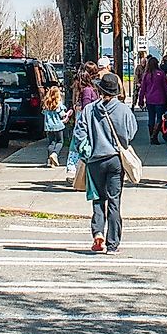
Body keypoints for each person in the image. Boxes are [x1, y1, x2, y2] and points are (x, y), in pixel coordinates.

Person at [71, 72, 137, 254]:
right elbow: (131, 134)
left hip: (95, 160)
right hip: (115, 159)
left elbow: (79, 133)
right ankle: (113, 244)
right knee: (114, 201)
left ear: (100, 90)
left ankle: (98, 232)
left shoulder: (89, 110)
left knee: (98, 199)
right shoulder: (124, 110)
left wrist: (87, 149)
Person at [65, 63, 99, 180]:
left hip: (80, 122)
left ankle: (76, 170)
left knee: (78, 145)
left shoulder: (81, 89)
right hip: (85, 124)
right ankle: (77, 170)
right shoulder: (89, 90)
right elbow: (87, 107)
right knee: (82, 146)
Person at [137, 55, 167, 145]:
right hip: (160, 99)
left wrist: (140, 100)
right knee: (159, 118)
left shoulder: (146, 75)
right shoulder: (161, 73)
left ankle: (152, 135)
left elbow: (142, 89)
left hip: (149, 99)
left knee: (151, 118)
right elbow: (165, 86)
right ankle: (155, 136)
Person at [41, 85, 65, 168]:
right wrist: (67, 114)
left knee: (51, 143)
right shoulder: (58, 104)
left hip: (49, 126)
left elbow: (43, 113)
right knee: (60, 141)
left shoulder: (46, 104)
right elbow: (62, 115)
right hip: (58, 125)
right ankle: (55, 154)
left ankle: (49, 161)